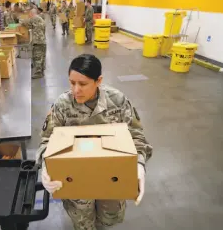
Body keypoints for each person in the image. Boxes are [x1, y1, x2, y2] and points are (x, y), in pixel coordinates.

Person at [36, 54, 153, 230]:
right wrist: (46, 165)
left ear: (98, 81)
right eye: (72, 83)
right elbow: (47, 140)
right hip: (76, 182)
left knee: (108, 220)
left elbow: (136, 135)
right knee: (83, 223)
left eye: (82, 84)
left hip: (112, 178)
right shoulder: (62, 105)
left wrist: (139, 164)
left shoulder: (117, 101)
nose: (76, 90)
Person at [20, 9, 46, 79]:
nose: (29, 15)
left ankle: (38, 72)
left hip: (37, 41)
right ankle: (42, 70)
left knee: (37, 56)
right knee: (42, 56)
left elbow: (24, 22)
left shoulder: (34, 18)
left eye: (29, 14)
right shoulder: (40, 19)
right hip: (42, 40)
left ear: (32, 13)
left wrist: (20, 19)